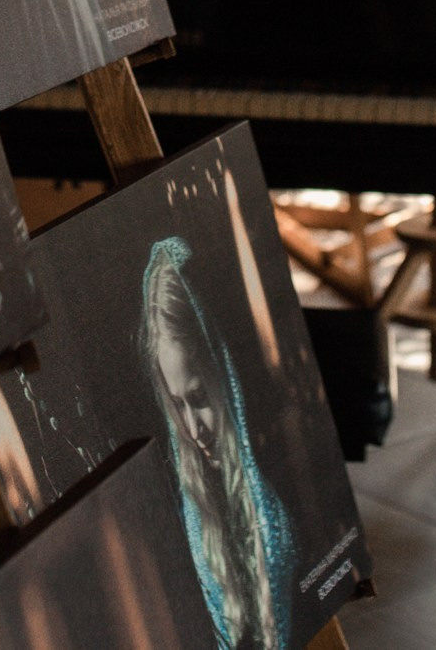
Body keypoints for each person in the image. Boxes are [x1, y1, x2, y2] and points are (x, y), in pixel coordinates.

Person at [142, 237, 288, 650]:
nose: (193, 428)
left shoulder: (276, 499)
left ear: (227, 378)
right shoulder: (196, 513)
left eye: (201, 399)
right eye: (178, 405)